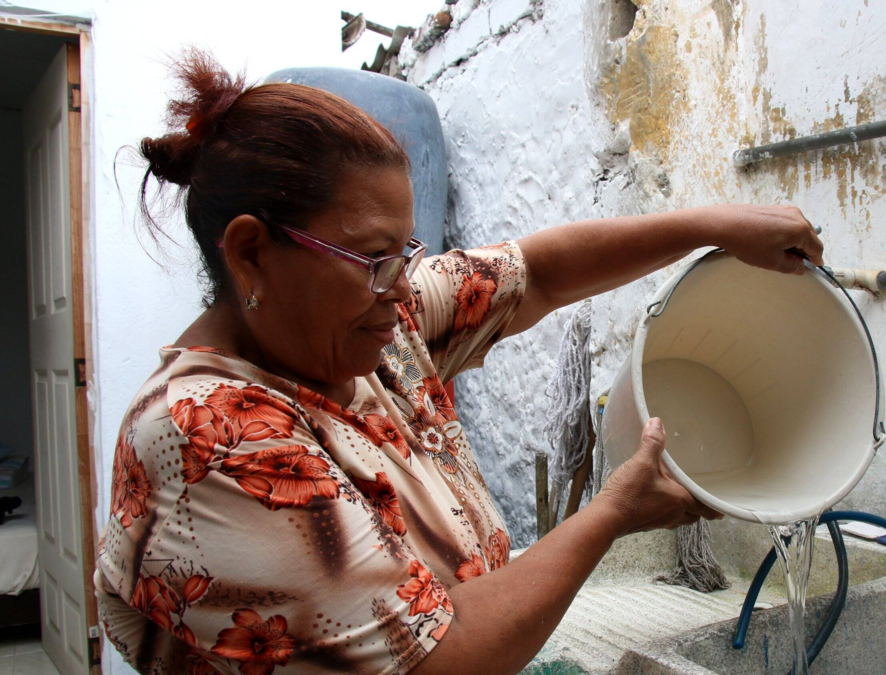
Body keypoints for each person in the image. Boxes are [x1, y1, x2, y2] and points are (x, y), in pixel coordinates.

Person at [96, 49, 824, 675]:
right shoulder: (207, 435)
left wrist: (711, 225)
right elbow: (438, 658)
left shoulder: (373, 334)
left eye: (405, 252)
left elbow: (535, 272)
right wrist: (611, 513)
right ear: (253, 252)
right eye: (375, 257)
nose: (403, 286)